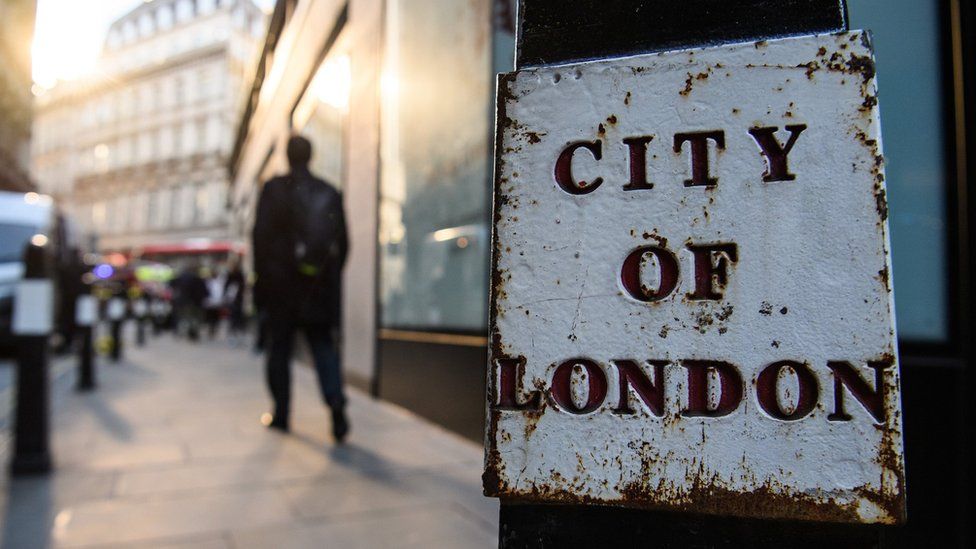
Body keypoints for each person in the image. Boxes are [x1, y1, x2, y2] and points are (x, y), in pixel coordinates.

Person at [252, 135, 349, 442]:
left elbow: (260, 240)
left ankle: (281, 413)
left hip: (281, 288)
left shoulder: (274, 189)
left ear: (287, 156)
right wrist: (324, 279)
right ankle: (335, 404)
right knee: (322, 347)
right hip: (316, 290)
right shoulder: (329, 192)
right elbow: (343, 245)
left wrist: (263, 282)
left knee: (279, 350)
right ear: (312, 156)